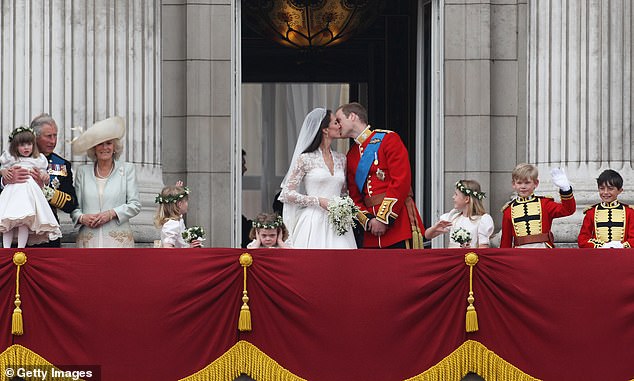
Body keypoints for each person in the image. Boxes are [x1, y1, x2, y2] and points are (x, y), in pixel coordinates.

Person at [336, 102, 424, 249]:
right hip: (371, 232)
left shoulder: (388, 139)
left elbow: (401, 181)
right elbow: (354, 197)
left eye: (339, 120)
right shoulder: (351, 155)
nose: (337, 125)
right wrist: (369, 220)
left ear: (352, 116)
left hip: (398, 225)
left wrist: (383, 219)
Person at [278, 107, 356, 248]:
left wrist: (345, 207)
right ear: (325, 129)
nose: (340, 126)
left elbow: (344, 193)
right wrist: (318, 201)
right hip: (313, 222)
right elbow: (287, 194)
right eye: (335, 123)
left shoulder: (341, 158)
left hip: (339, 222)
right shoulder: (305, 159)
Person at [0, 113, 78, 247]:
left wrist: (44, 190)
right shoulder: (10, 162)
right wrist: (5, 182)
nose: (53, 141)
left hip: (46, 235)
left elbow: (71, 203)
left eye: (55, 135)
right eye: (48, 136)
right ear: (34, 137)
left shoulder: (61, 165)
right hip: (15, 234)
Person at [70, 116, 141, 248]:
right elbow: (74, 207)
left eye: (108, 143)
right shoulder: (82, 172)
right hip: (88, 241)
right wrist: (82, 218)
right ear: (94, 148)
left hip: (119, 242)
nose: (104, 147)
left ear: (114, 147)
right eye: (100, 144)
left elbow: (135, 205)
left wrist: (111, 214)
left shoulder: (127, 169)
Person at [500, 163, 575, 248]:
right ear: (514, 184)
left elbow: (568, 210)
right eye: (519, 183)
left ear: (536, 183)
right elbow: (506, 241)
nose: (523, 186)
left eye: (527, 183)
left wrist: (565, 189)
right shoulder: (508, 210)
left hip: (542, 251)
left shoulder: (544, 204)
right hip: (519, 253)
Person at [424, 180, 494, 248]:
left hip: (470, 258)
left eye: (456, 194)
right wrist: (434, 228)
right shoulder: (453, 218)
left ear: (467, 199)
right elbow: (427, 235)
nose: (453, 197)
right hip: (452, 258)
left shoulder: (482, 220)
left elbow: (483, 248)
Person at [578, 169, 634, 248]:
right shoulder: (591, 212)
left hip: (622, 256)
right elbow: (582, 240)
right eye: (602, 188)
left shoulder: (630, 212)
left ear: (620, 190)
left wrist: (621, 246)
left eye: (610, 189)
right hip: (598, 256)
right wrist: (602, 246)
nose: (605, 192)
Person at [154, 182, 202, 248]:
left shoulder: (177, 221)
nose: (188, 204)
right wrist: (189, 248)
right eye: (186, 201)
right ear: (179, 204)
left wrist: (177, 189)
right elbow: (167, 249)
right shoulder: (172, 224)